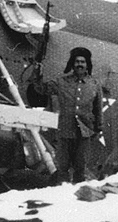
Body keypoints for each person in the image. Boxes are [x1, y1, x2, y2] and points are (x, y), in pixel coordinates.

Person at [30, 47, 104, 183]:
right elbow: (41, 88)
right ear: (72, 64)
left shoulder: (94, 85)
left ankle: (77, 198)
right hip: (65, 131)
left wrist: (98, 128)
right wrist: (37, 71)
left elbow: (98, 108)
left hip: (85, 132)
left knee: (80, 167)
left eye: (83, 62)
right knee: (62, 167)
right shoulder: (62, 82)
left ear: (87, 65)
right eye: (77, 62)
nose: (80, 64)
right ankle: (61, 195)